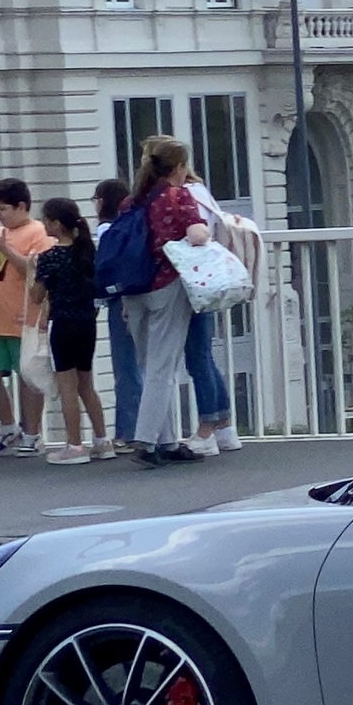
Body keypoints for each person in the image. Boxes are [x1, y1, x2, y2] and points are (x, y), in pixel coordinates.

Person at [121, 135, 211, 466]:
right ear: (180, 166)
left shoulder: (131, 202)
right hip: (167, 285)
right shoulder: (179, 196)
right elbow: (197, 234)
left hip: (133, 289)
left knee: (148, 365)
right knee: (162, 367)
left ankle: (168, 440)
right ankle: (145, 441)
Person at [30, 197, 112, 463]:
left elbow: (36, 295)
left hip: (63, 324)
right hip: (87, 322)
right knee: (87, 383)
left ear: (56, 223)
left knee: (67, 385)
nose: (43, 224)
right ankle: (102, 440)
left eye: (46, 220)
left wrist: (35, 273)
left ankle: (75, 445)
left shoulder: (50, 258)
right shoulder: (86, 252)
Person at [0, 177, 49, 456]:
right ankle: (8, 426)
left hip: (23, 314)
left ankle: (32, 432)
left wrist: (5, 249)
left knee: (27, 376)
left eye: (4, 209)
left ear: (21, 206)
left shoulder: (36, 232)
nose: (0, 215)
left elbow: (35, 269)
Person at [181, 174, 254, 456]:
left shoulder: (186, 195)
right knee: (204, 354)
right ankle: (224, 425)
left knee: (197, 356)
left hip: (193, 279)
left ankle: (207, 427)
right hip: (207, 278)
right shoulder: (201, 192)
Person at [93, 177, 142, 449]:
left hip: (119, 299)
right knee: (142, 364)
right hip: (140, 294)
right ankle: (143, 427)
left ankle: (129, 430)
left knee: (126, 368)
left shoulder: (108, 231)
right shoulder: (133, 224)